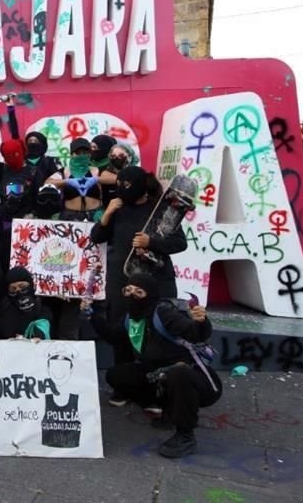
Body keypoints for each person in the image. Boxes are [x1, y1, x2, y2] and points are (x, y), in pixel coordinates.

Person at [90, 273, 222, 458]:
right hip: (158, 376)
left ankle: (185, 435)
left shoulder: (163, 313)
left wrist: (201, 322)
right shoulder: (131, 319)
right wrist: (92, 314)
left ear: (150, 295)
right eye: (127, 291)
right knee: (117, 375)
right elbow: (113, 336)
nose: (131, 296)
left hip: (194, 379)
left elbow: (195, 333)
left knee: (178, 373)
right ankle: (164, 407)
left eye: (139, 292)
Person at [91, 165, 188, 404]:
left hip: (156, 280)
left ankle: (158, 390)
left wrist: (151, 241)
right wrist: (107, 215)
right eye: (119, 186)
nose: (121, 191)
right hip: (121, 280)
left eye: (126, 186)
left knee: (157, 334)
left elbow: (179, 243)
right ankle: (123, 387)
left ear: (141, 187)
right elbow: (96, 237)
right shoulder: (118, 208)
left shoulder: (160, 211)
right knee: (120, 334)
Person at [0, 266, 52, 340]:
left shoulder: (42, 310)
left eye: (22, 286)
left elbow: (43, 331)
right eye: (13, 289)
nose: (18, 291)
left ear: (31, 285)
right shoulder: (3, 309)